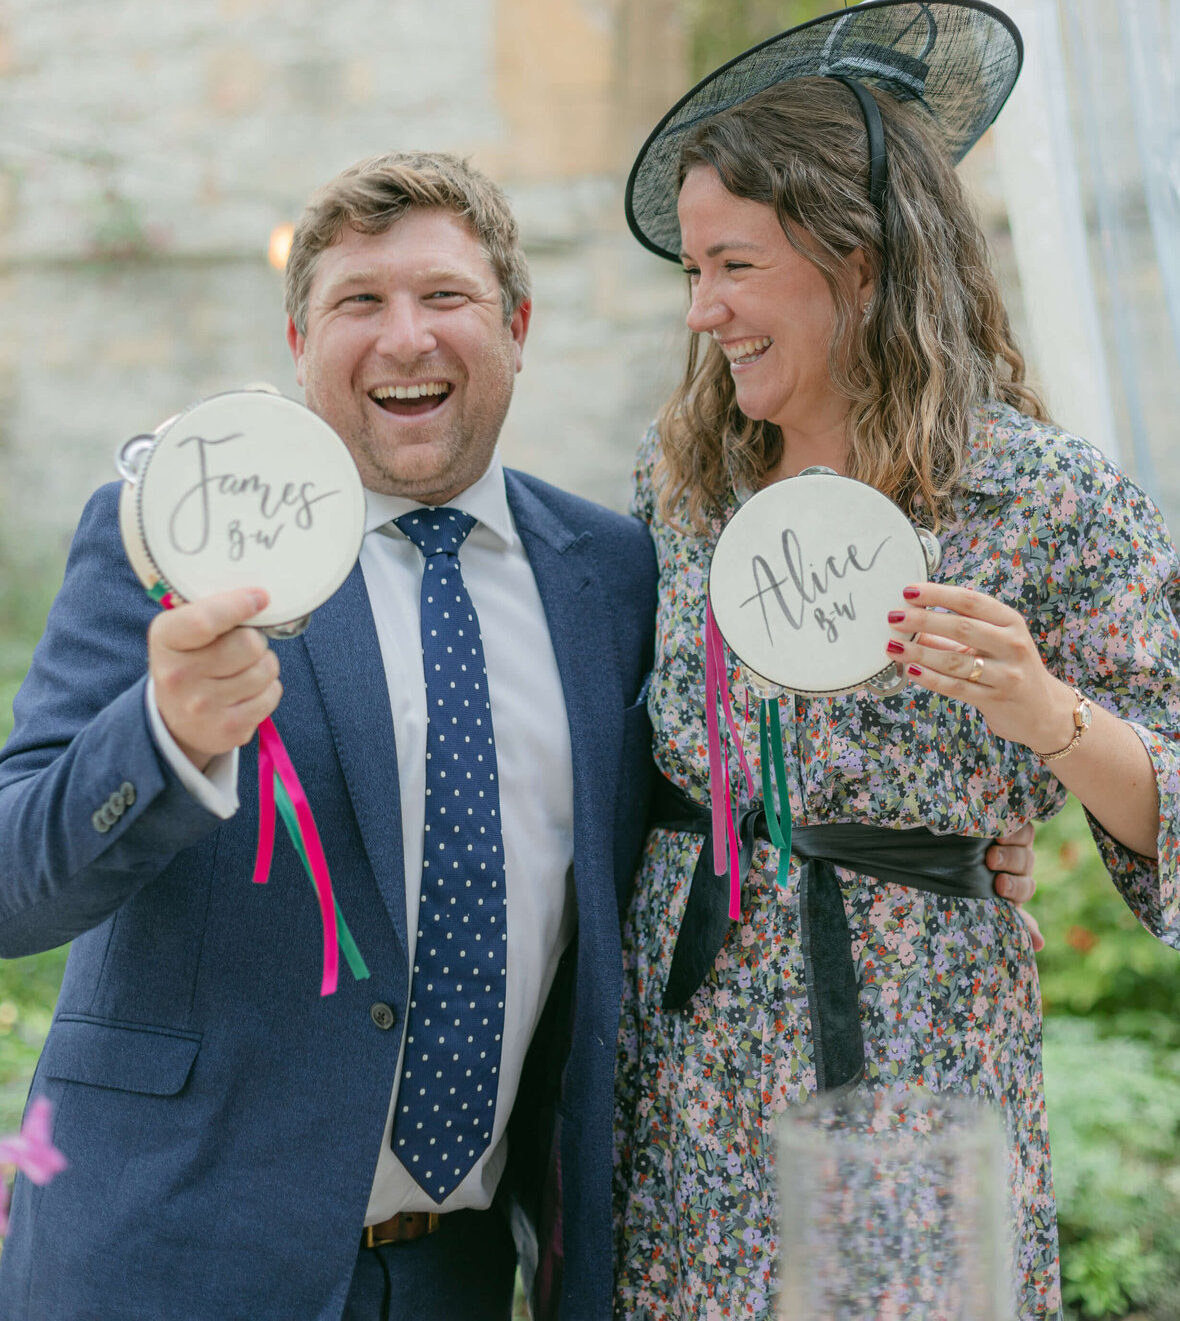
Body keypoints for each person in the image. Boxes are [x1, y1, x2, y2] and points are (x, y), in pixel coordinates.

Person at [0, 149, 1037, 1321]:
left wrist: (953, 846)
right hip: (169, 1254)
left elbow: (705, 812)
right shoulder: (172, 538)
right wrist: (160, 740)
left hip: (462, 1271)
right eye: (358, 302)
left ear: (519, 325)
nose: (405, 339)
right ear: (300, 344)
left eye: (445, 297)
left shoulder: (612, 576)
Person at [612, 0, 1180, 1320]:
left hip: (921, 1033)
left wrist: (1044, 716)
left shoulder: (1043, 498)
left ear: (859, 261)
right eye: (691, 272)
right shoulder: (685, 483)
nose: (702, 310)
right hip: (691, 1039)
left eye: (736, 267)